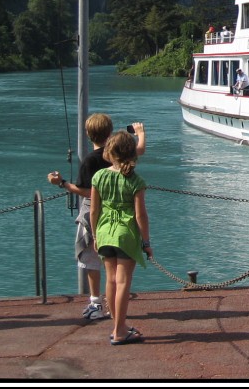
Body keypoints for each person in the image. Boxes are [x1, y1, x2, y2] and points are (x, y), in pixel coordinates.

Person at [47, 115, 146, 322]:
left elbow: (84, 191)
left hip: (97, 215)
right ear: (110, 132)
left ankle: (95, 302)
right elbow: (140, 150)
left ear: (87, 133)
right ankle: (116, 314)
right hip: (123, 224)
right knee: (120, 277)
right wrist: (140, 134)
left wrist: (61, 182)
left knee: (91, 260)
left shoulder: (91, 161)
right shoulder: (125, 156)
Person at [91, 131, 152, 346]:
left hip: (105, 231)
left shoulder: (98, 177)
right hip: (125, 233)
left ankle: (118, 326)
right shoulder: (136, 180)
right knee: (123, 281)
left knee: (110, 280)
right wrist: (146, 242)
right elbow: (140, 215)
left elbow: (94, 211)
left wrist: (96, 235)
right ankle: (119, 330)